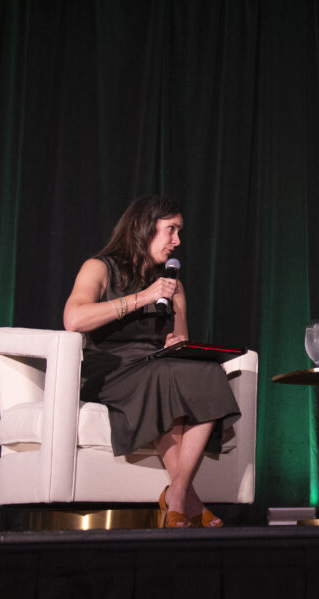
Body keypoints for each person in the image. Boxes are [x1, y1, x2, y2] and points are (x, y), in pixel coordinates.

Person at [63, 195, 240, 528]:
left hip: (157, 363)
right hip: (110, 365)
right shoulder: (99, 268)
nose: (177, 241)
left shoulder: (174, 285)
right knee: (164, 378)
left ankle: (176, 495)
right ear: (142, 228)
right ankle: (188, 500)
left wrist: (179, 342)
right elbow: (74, 319)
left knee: (208, 373)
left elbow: (180, 338)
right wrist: (143, 297)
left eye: (179, 232)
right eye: (170, 230)